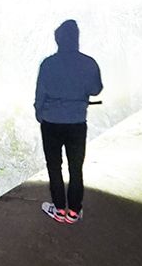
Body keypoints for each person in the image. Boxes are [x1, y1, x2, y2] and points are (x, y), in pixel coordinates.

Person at [34, 19, 102, 224]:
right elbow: (96, 89)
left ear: (58, 40)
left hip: (51, 123)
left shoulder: (48, 64)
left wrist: (40, 114)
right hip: (76, 123)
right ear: (77, 39)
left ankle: (58, 209)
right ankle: (73, 212)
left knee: (54, 167)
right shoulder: (89, 63)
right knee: (75, 167)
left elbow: (40, 95)